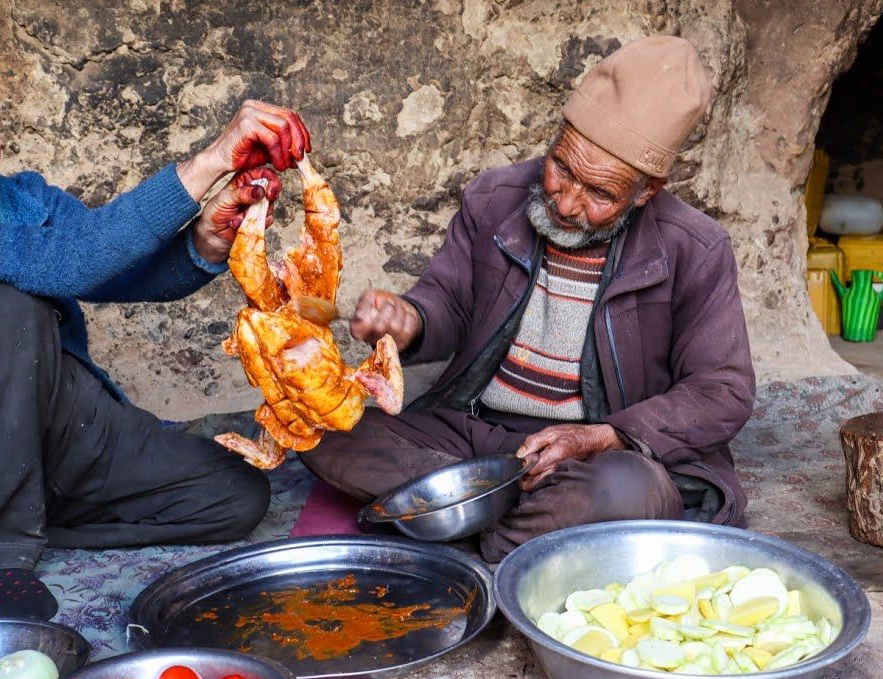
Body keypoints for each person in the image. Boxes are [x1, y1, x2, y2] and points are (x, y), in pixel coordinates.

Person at [0, 42, 310, 620]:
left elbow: (113, 269)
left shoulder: (24, 197)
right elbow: (70, 262)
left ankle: (38, 515)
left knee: (235, 497)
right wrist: (211, 159)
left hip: (57, 431)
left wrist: (205, 241)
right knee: (11, 304)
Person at [301, 36, 756, 561]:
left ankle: (463, 513)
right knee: (320, 424)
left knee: (632, 491)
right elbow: (448, 303)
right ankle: (516, 526)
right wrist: (411, 320)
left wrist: (608, 437)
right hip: (476, 430)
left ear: (646, 190)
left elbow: (722, 390)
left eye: (600, 194)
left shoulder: (694, 249)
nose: (565, 202)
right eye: (562, 168)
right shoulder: (494, 198)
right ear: (557, 139)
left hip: (594, 453)